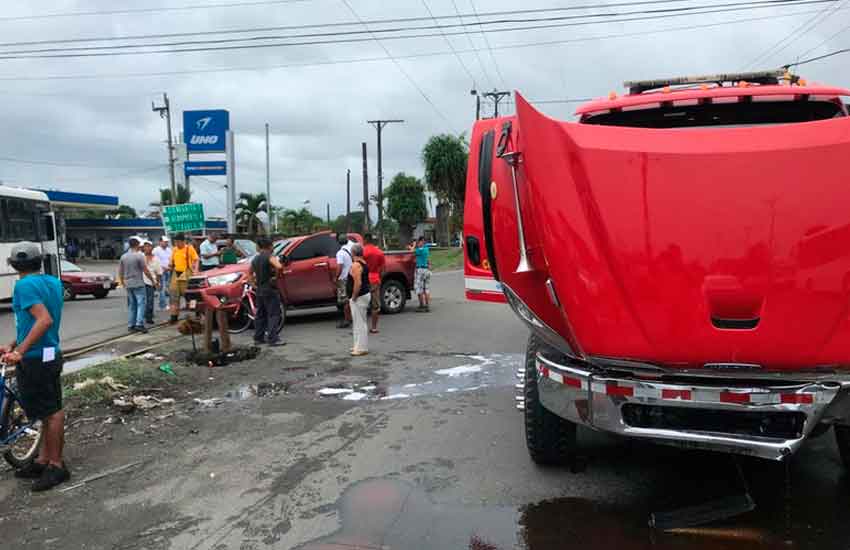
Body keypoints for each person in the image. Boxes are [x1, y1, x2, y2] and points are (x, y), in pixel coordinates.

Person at [0, 242, 68, 491]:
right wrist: (13, 344)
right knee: (46, 410)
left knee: (51, 412)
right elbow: (34, 323)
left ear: (13, 264)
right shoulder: (52, 282)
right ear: (39, 261)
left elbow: (44, 320)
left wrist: (20, 351)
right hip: (49, 353)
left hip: (36, 358)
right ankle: (42, 460)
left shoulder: (23, 285)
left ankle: (57, 466)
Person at [249, 237, 285, 346]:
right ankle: (272, 338)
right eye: (272, 246)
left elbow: (249, 273)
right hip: (270, 289)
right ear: (269, 246)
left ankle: (258, 338)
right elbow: (279, 266)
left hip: (259, 290)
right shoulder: (270, 256)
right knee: (274, 314)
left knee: (261, 314)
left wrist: (253, 285)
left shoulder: (255, 259)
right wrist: (276, 277)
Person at [118, 237, 154, 333]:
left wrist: (122, 282)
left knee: (132, 305)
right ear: (137, 245)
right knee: (141, 303)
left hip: (128, 283)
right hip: (138, 282)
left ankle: (131, 325)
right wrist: (152, 280)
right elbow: (145, 270)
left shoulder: (123, 256)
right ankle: (139, 324)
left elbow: (120, 271)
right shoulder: (139, 256)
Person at [168, 233, 199, 324]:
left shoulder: (189, 248)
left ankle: (197, 314)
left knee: (190, 295)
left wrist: (196, 271)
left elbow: (196, 259)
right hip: (176, 273)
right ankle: (174, 317)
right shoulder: (174, 249)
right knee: (174, 294)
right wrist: (169, 266)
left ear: (183, 241)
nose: (177, 244)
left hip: (187, 273)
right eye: (175, 242)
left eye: (178, 242)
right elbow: (171, 262)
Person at [348, 244, 371, 356]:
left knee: (359, 323)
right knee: (360, 321)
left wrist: (354, 296)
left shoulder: (356, 265)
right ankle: (358, 345)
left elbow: (358, 283)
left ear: (353, 253)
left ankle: (361, 347)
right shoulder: (364, 263)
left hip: (360, 296)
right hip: (365, 294)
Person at [362, 233, 386, 334]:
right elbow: (383, 269)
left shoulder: (362, 251)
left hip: (364, 280)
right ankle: (374, 327)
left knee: (361, 305)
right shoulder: (379, 252)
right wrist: (378, 276)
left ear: (365, 240)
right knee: (375, 306)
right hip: (375, 279)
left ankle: (362, 328)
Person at [334, 233, 353, 329]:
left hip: (343, 279)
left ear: (338, 242)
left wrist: (336, 277)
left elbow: (340, 267)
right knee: (350, 299)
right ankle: (351, 317)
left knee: (344, 301)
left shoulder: (340, 253)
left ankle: (347, 320)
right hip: (351, 277)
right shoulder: (351, 249)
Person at [142, 241, 162, 325]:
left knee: (150, 300)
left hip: (151, 282)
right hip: (141, 282)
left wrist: (157, 282)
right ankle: (143, 316)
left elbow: (159, 272)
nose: (147, 248)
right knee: (141, 301)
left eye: (149, 246)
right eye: (145, 246)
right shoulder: (140, 257)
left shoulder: (156, 259)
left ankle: (149, 317)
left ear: (152, 248)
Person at [153, 236, 172, 311]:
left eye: (167, 242)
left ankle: (166, 303)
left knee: (168, 288)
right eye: (165, 242)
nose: (166, 243)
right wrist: (164, 268)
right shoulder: (156, 250)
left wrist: (170, 267)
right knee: (162, 289)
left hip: (169, 271)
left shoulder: (169, 250)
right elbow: (155, 261)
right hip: (161, 272)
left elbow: (170, 259)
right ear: (160, 242)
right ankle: (162, 305)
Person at [414, 236, 432, 312]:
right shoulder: (426, 249)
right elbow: (428, 260)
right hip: (426, 270)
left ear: (421, 241)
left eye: (418, 241)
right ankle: (427, 306)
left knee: (419, 288)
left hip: (420, 270)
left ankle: (421, 305)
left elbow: (413, 251)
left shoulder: (418, 250)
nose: (418, 243)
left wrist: (414, 245)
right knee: (426, 289)